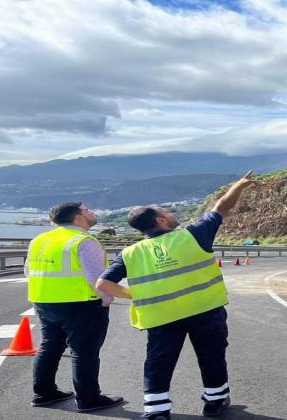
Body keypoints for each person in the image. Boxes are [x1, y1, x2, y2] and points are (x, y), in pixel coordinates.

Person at [96, 171, 256, 420]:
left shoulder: (130, 253)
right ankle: (214, 402)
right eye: (166, 212)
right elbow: (221, 206)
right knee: (212, 356)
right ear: (161, 220)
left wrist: (137, 295)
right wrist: (240, 185)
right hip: (204, 310)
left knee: (158, 361)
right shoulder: (193, 235)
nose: (171, 214)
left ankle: (156, 410)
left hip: (161, 316)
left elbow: (103, 284)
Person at [26, 202, 124, 412]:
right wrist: (106, 299)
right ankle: (89, 399)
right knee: (84, 352)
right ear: (77, 217)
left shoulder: (40, 240)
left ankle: (44, 393)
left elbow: (28, 271)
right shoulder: (84, 241)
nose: (92, 212)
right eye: (87, 210)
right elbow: (97, 278)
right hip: (81, 304)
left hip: (44, 301)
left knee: (49, 347)